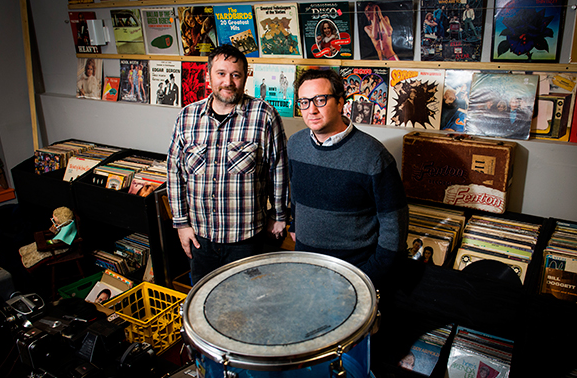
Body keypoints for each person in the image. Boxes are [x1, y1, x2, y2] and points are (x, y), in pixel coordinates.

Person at [167, 45, 289, 285]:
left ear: (245, 77)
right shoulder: (187, 116)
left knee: (250, 307)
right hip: (200, 238)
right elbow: (174, 173)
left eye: (236, 74)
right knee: (205, 308)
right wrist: (181, 224)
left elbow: (279, 169)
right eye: (221, 73)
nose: (228, 81)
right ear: (208, 76)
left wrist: (279, 215)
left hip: (246, 240)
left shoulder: (264, 115)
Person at [287, 69, 408, 289]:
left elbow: (395, 224)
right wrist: (295, 224)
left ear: (341, 102)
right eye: (304, 102)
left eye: (320, 100)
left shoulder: (373, 155)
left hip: (354, 274)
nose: (311, 110)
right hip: (305, 267)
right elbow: (296, 192)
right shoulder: (295, 145)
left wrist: (372, 274)